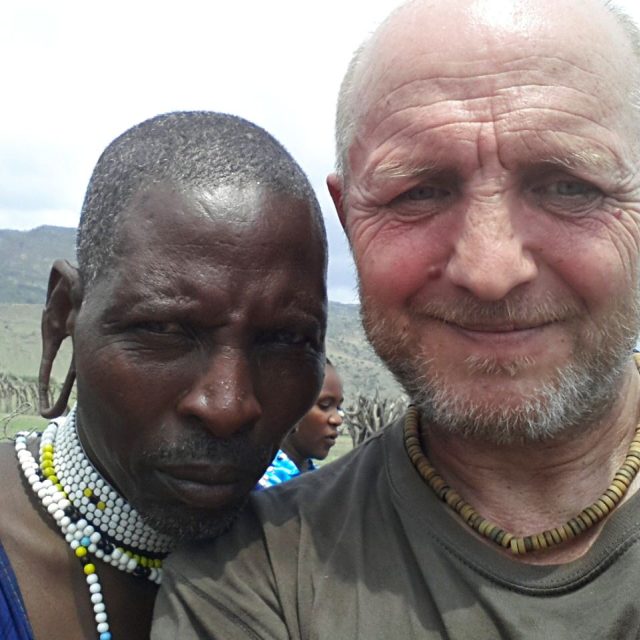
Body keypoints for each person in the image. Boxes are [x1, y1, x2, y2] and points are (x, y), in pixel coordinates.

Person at [153, 0, 640, 637]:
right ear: (348, 217)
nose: (490, 271)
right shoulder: (253, 576)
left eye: (570, 186)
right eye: (419, 192)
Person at [0, 111, 328, 640]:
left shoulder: (334, 559)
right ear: (64, 315)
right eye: (163, 328)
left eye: (287, 339)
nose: (228, 407)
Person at [257, 360, 343, 488]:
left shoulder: (320, 482)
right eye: (324, 405)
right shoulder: (263, 488)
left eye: (339, 407)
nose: (337, 419)